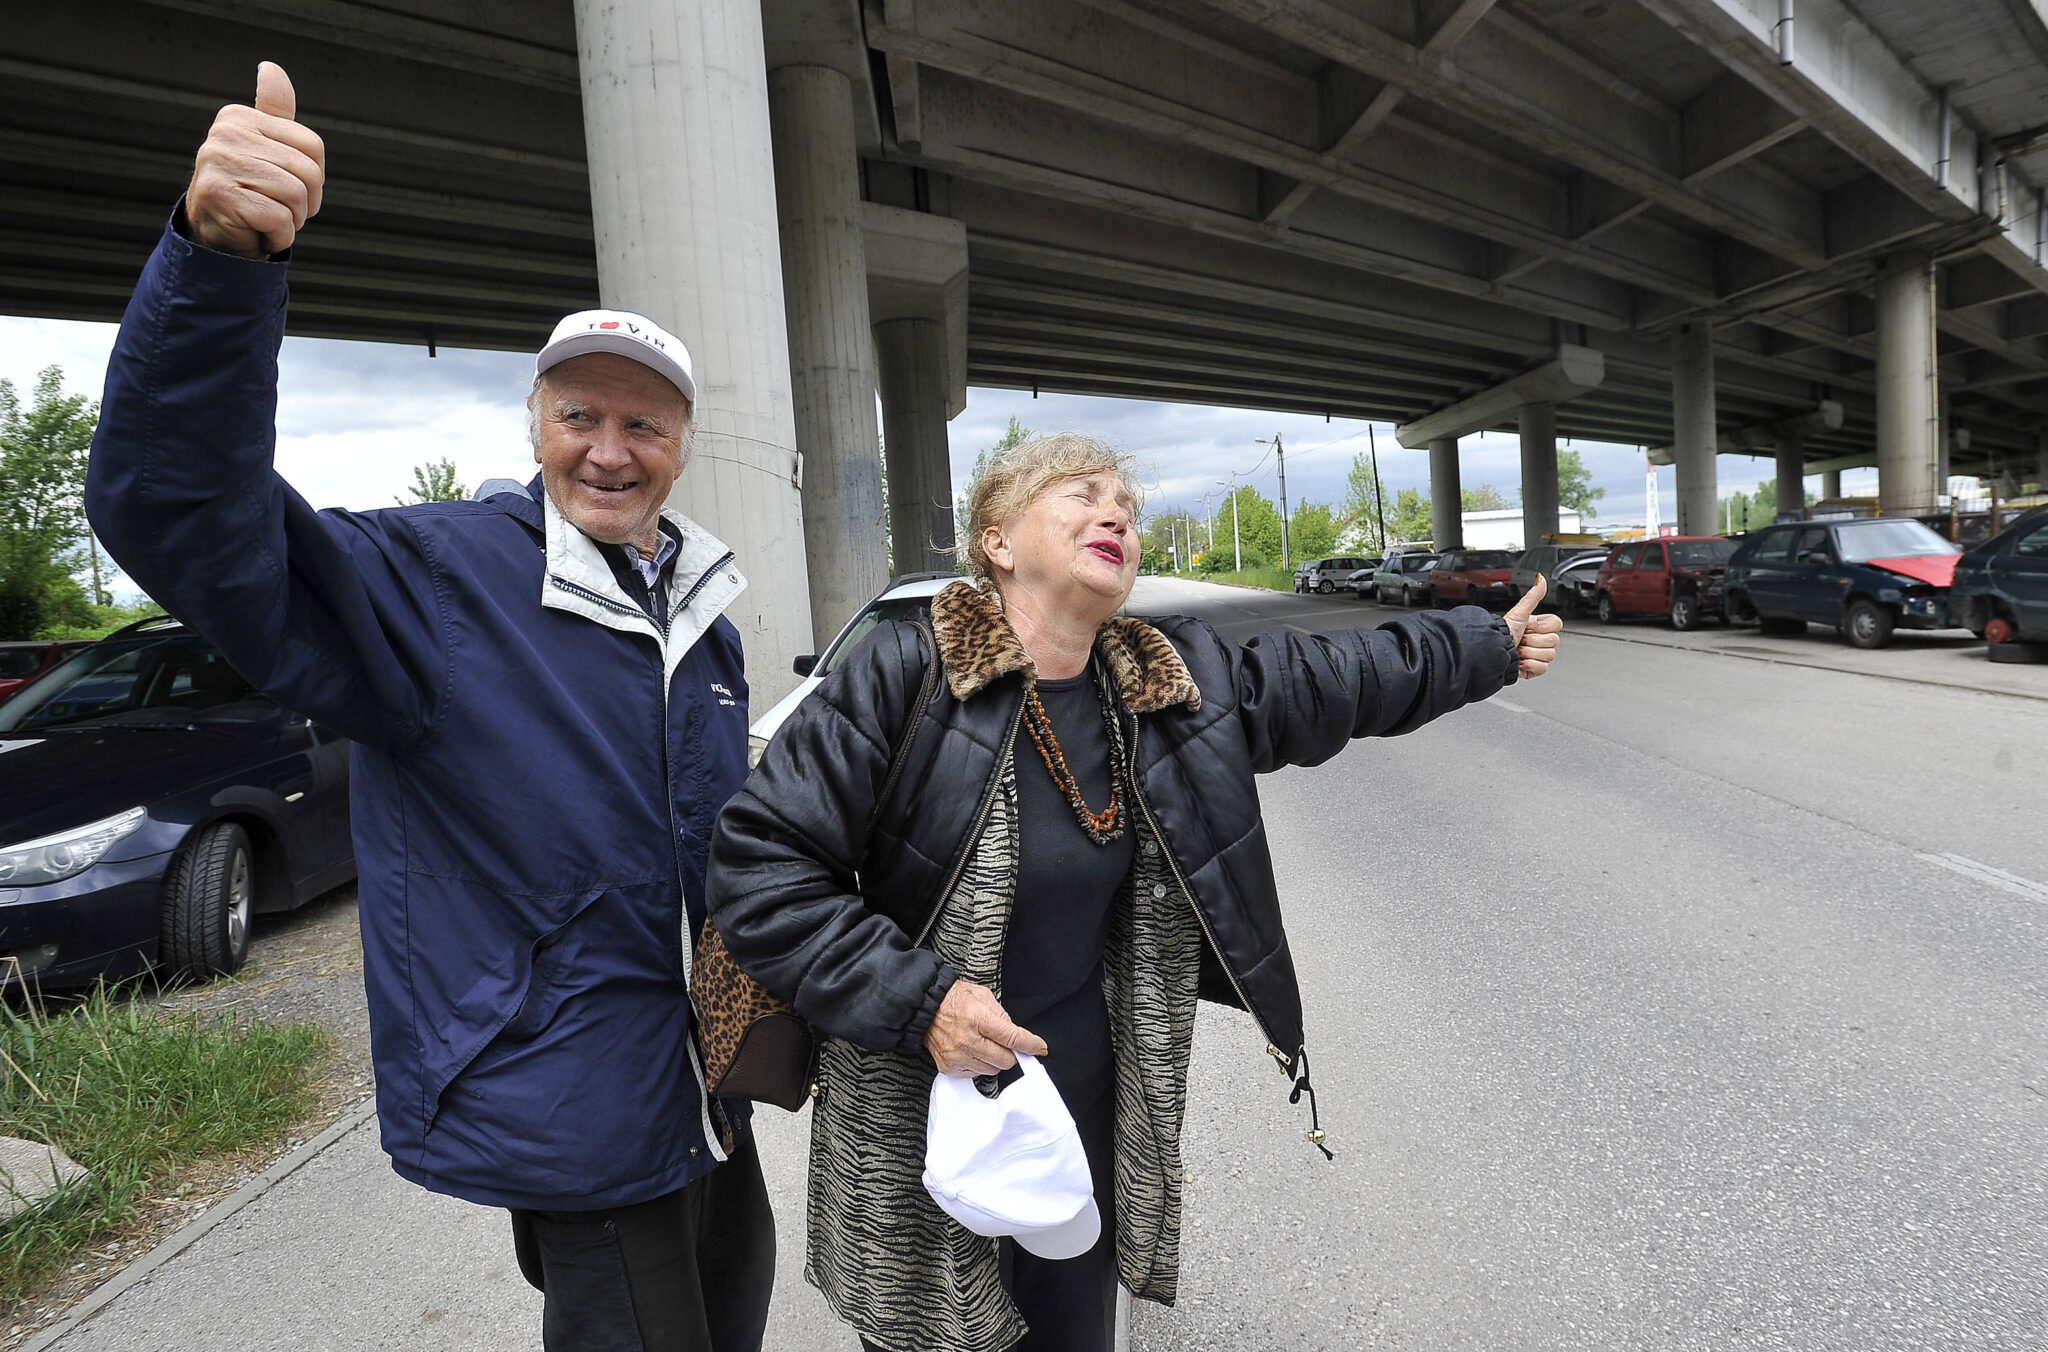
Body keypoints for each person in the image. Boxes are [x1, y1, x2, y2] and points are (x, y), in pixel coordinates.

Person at [84, 62, 773, 1352]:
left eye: (643, 423)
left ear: (683, 445)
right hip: (574, 1095)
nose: (609, 450)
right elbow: (182, 519)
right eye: (579, 414)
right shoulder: (438, 577)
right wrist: (221, 266)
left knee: (730, 1313)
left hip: (703, 1085)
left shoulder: (704, 616)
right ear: (534, 423)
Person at [706, 433, 1563, 1351]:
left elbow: (1333, 675)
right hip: (917, 1101)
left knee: (1074, 1332)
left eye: (1125, 501)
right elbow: (761, 869)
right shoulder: (901, 676)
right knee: (936, 1330)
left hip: (1084, 1103)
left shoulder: (1163, 682)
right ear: (996, 540)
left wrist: (1486, 644)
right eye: (1079, 493)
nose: (1114, 511)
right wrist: (923, 1003)